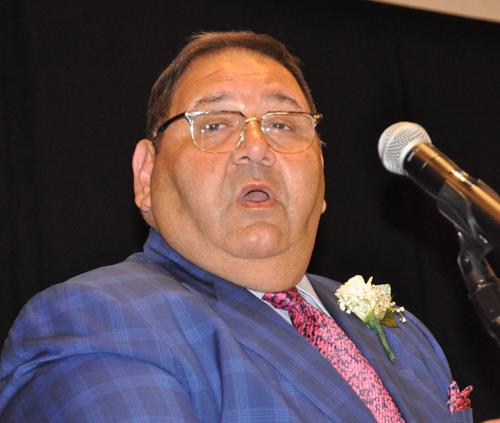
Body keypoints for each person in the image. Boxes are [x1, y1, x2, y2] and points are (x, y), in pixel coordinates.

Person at [0, 31, 474, 422]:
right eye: (214, 124)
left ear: (323, 177)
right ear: (146, 175)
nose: (255, 147)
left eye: (284, 125)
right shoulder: (96, 319)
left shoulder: (400, 328)